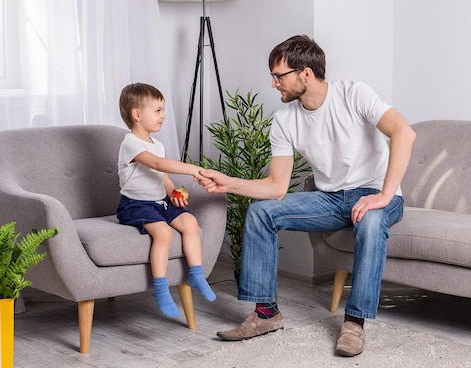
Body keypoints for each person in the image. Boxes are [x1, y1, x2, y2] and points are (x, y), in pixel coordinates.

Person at [198, 35, 416, 356]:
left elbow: (403, 132)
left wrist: (384, 194)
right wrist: (227, 183)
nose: (274, 84)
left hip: (375, 194)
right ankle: (266, 315)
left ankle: (354, 322)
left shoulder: (354, 94)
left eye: (279, 76)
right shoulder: (285, 120)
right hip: (329, 199)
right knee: (261, 212)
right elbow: (276, 187)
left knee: (370, 223)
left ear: (306, 74)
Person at [116, 82, 216, 318]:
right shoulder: (130, 143)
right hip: (135, 205)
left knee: (190, 222)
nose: (164, 115)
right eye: (158, 110)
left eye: (163, 110)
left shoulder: (157, 144)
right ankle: (161, 289)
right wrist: (192, 169)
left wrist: (173, 192)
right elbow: (158, 164)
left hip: (159, 201)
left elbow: (162, 175)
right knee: (163, 233)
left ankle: (197, 275)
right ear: (137, 114)